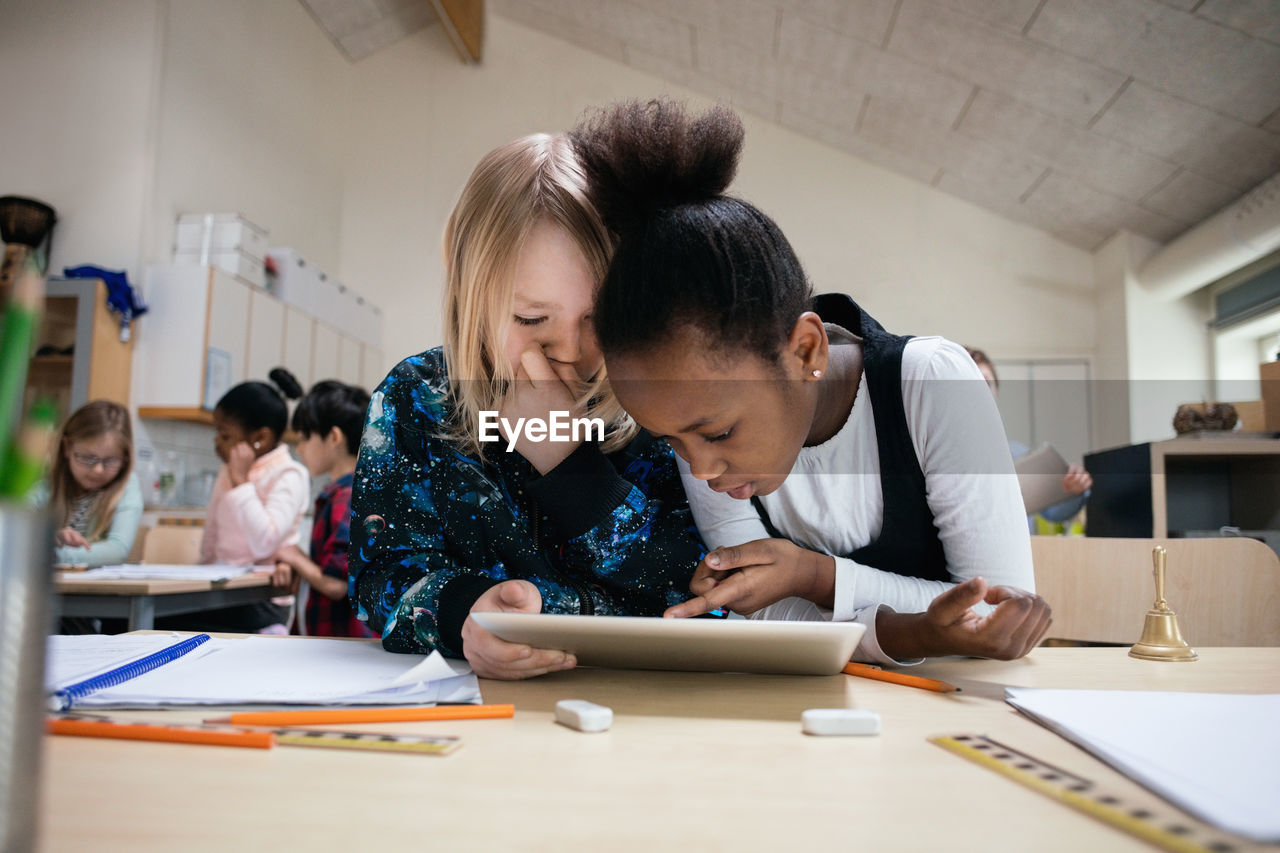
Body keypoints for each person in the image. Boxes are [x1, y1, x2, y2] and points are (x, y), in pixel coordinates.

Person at [571, 98, 1051, 664]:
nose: (699, 469)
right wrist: (913, 631)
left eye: (719, 434)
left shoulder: (932, 381)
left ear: (806, 349)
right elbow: (764, 613)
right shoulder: (695, 423)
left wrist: (816, 577)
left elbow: (997, 614)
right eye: (674, 441)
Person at [348, 132, 707, 680]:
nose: (569, 350)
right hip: (470, 707)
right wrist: (468, 613)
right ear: (471, 298)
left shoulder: (656, 403)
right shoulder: (415, 397)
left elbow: (694, 591)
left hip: (638, 708)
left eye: (599, 318)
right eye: (533, 321)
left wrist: (573, 470)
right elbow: (380, 580)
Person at [186, 368, 309, 633]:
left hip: (262, 597)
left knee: (169, 624)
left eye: (225, 435)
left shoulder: (289, 474)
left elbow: (264, 541)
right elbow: (213, 535)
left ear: (260, 438)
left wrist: (242, 482)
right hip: (222, 588)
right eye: (217, 433)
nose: (217, 442)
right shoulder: (228, 470)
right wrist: (196, 579)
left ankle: (272, 630)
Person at [271, 379, 375, 638]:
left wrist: (294, 556)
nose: (300, 448)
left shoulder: (347, 495)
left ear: (334, 437)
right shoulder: (349, 491)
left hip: (341, 641)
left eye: (305, 438)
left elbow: (335, 584)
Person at [966, 348, 1092, 533]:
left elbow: (1054, 512)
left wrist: (1070, 490)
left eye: (985, 382)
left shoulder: (1019, 455)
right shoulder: (931, 458)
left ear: (996, 393)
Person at [32, 399, 142, 568]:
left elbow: (117, 550)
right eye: (87, 458)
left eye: (110, 461)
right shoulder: (42, 482)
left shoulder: (127, 487)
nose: (98, 469)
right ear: (67, 448)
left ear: (125, 460)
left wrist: (54, 554)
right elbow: (13, 534)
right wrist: (51, 538)